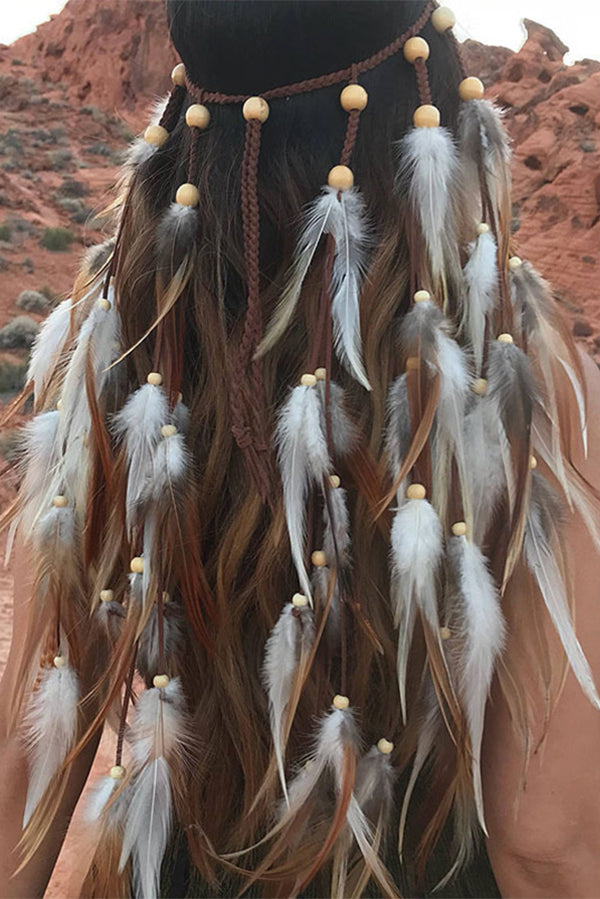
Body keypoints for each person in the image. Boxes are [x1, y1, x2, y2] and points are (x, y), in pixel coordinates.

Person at [1, 2, 599, 897]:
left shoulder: (114, 345)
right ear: (432, 107)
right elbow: (544, 839)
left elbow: (29, 751)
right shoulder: (512, 369)